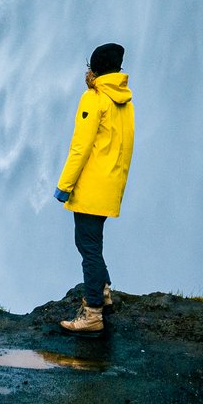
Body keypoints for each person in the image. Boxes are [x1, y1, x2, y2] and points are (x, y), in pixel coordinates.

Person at [53, 42, 134, 335]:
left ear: (95, 69)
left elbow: (80, 147)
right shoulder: (125, 101)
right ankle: (104, 293)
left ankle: (92, 313)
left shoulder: (94, 98)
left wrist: (65, 185)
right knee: (93, 244)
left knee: (87, 247)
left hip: (90, 186)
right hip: (110, 184)